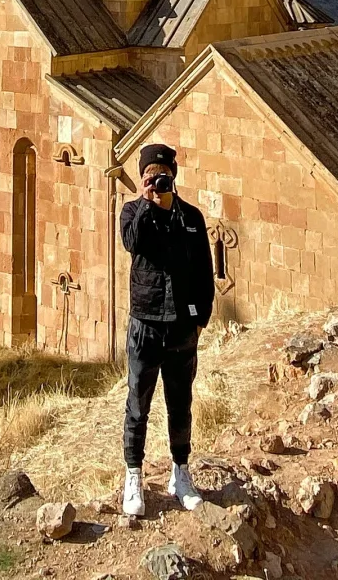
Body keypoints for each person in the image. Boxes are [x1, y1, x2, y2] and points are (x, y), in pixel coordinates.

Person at [119, 141, 214, 517]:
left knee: (181, 405)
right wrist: (146, 203)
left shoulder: (190, 218)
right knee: (137, 407)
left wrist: (201, 319)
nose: (156, 182)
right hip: (144, 325)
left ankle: (181, 472)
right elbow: (131, 242)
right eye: (149, 176)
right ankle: (133, 476)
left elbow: (205, 270)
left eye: (162, 177)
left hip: (180, 329)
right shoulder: (132, 212)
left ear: (174, 177)